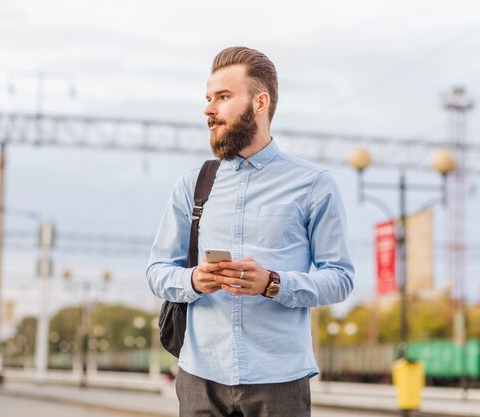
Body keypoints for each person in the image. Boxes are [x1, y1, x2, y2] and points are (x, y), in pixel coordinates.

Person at [146, 46, 354, 417]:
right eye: (209, 99)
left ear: (260, 103)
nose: (209, 109)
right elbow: (157, 271)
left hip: (279, 381)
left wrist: (273, 283)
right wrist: (194, 280)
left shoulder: (313, 184)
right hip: (200, 378)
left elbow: (340, 278)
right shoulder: (192, 185)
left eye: (223, 97)